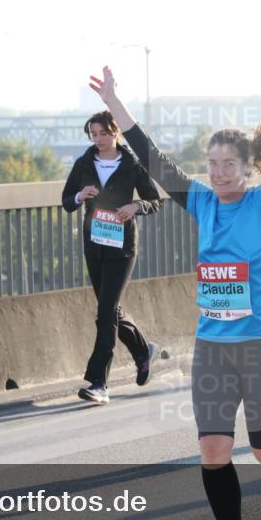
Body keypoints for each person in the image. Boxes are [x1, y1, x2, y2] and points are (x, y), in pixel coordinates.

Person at [89, 49, 261, 520]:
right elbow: (153, 157)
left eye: (229, 165)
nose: (219, 172)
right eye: (212, 165)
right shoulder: (202, 201)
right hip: (213, 346)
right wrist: (114, 101)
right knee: (212, 449)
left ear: (249, 168)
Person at [62, 112, 162, 404]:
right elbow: (67, 201)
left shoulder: (132, 164)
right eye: (93, 134)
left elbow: (155, 200)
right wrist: (80, 195)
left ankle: (99, 382)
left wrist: (136, 207)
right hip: (94, 246)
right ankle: (143, 351)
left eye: (103, 133)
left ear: (116, 132)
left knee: (105, 312)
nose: (98, 139)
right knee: (111, 310)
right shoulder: (84, 163)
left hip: (122, 247)